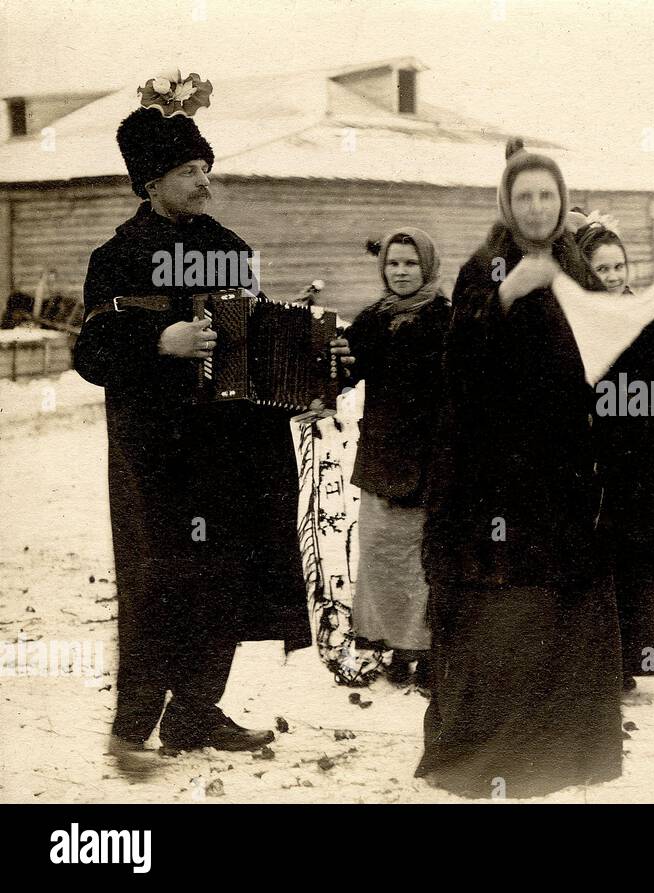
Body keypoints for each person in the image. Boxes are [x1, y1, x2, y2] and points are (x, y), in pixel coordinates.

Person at [73, 74, 352, 775]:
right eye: (189, 170)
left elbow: (260, 338)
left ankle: (196, 711)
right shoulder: (115, 258)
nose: (204, 182)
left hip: (231, 446)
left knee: (226, 574)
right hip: (156, 453)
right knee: (159, 579)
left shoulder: (228, 245)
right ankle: (133, 729)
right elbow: (90, 350)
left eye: (206, 168)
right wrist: (157, 341)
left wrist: (319, 371)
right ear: (150, 184)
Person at [414, 141, 630, 798]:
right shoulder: (483, 269)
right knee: (500, 617)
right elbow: (457, 367)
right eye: (525, 196)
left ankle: (562, 755)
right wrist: (507, 296)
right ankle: (483, 759)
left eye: (548, 195)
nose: (537, 207)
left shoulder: (579, 267)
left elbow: (609, 361)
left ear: (563, 204)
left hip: (564, 472)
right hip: (490, 480)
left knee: (563, 612)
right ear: (507, 204)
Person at [573, 213, 654, 697]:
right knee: (597, 561)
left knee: (641, 561)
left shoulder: (650, 314)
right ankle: (601, 664)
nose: (612, 277)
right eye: (602, 269)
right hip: (595, 459)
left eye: (618, 267)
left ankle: (639, 658)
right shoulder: (575, 319)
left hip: (644, 459)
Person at [345, 229, 451, 686]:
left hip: (432, 457)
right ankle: (393, 647)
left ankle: (430, 652)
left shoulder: (447, 318)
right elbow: (346, 372)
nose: (401, 272)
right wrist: (336, 362)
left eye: (410, 263)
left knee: (424, 561)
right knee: (381, 556)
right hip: (384, 455)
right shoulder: (372, 320)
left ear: (426, 266)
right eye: (393, 264)